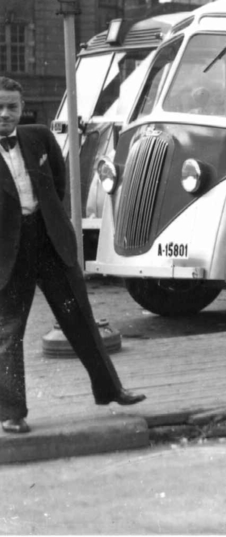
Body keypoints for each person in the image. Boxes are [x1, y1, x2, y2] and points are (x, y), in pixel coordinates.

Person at [0, 77, 145, 435]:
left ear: (21, 108)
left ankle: (113, 391)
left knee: (80, 317)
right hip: (7, 254)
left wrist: (52, 223)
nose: (5, 113)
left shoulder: (39, 138)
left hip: (49, 242)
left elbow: (59, 184)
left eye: (12, 106)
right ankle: (12, 412)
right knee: (7, 335)